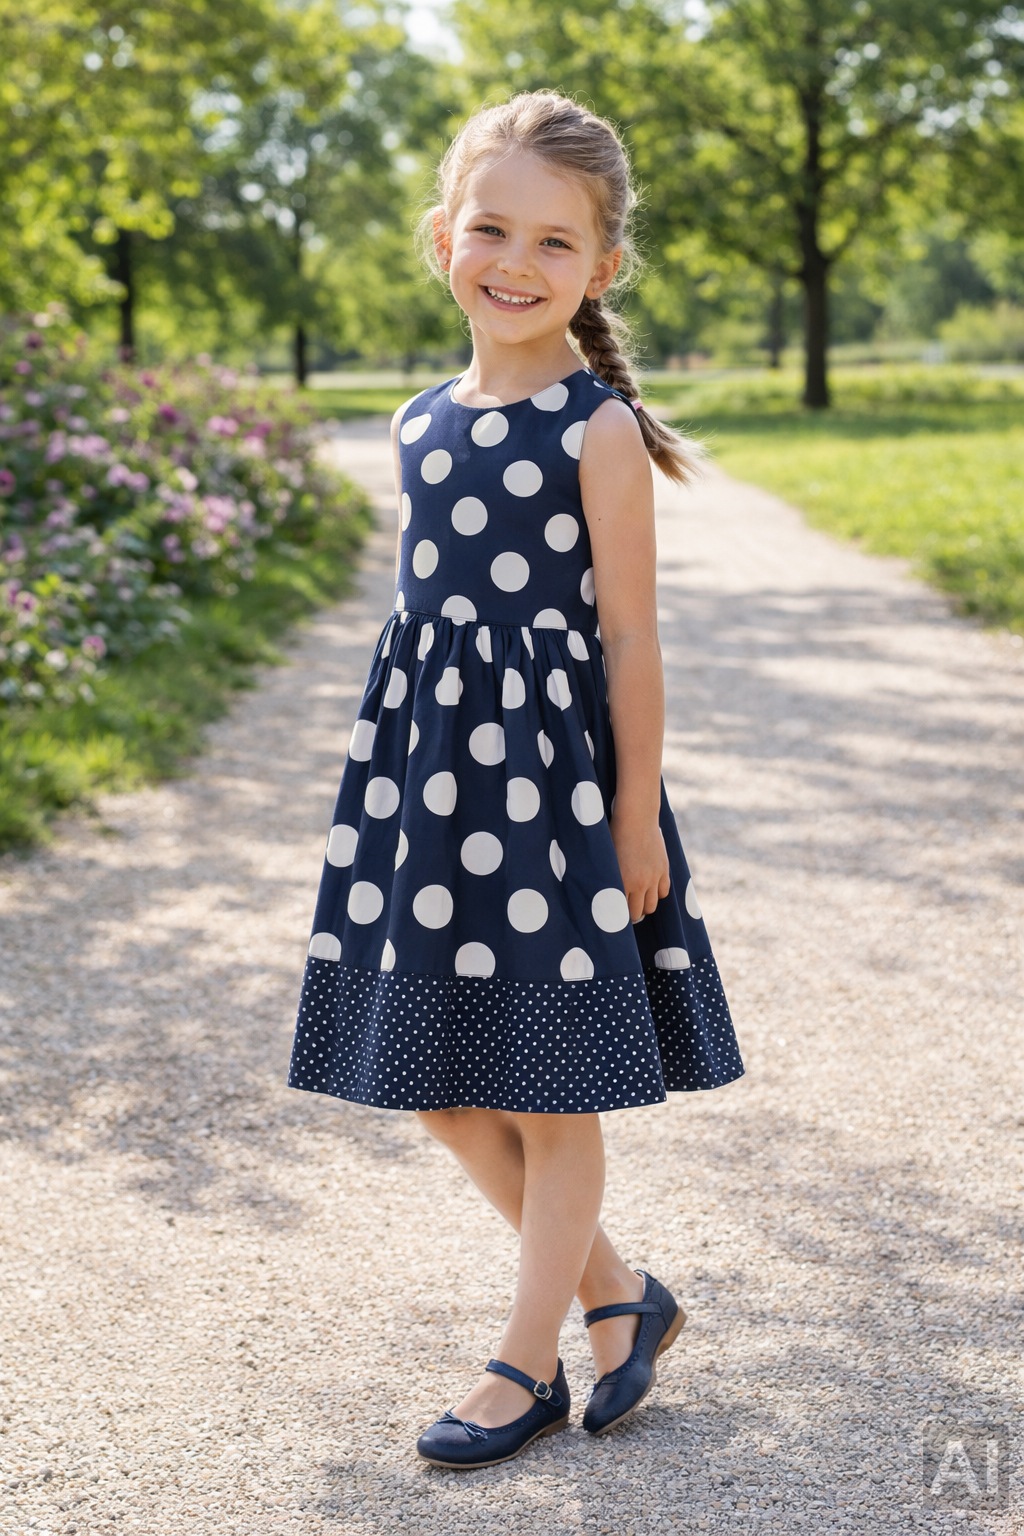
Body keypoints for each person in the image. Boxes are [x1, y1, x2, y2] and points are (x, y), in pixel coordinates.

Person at [287, 90, 744, 1469]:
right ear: (443, 239)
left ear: (599, 270)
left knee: (552, 1093)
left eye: (557, 243)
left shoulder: (595, 431)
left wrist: (630, 814)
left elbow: (631, 637)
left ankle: (520, 1363)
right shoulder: (416, 425)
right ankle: (621, 1294)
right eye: (493, 228)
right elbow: (426, 640)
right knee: (435, 1083)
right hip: (429, 799)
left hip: (554, 804)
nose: (518, 263)